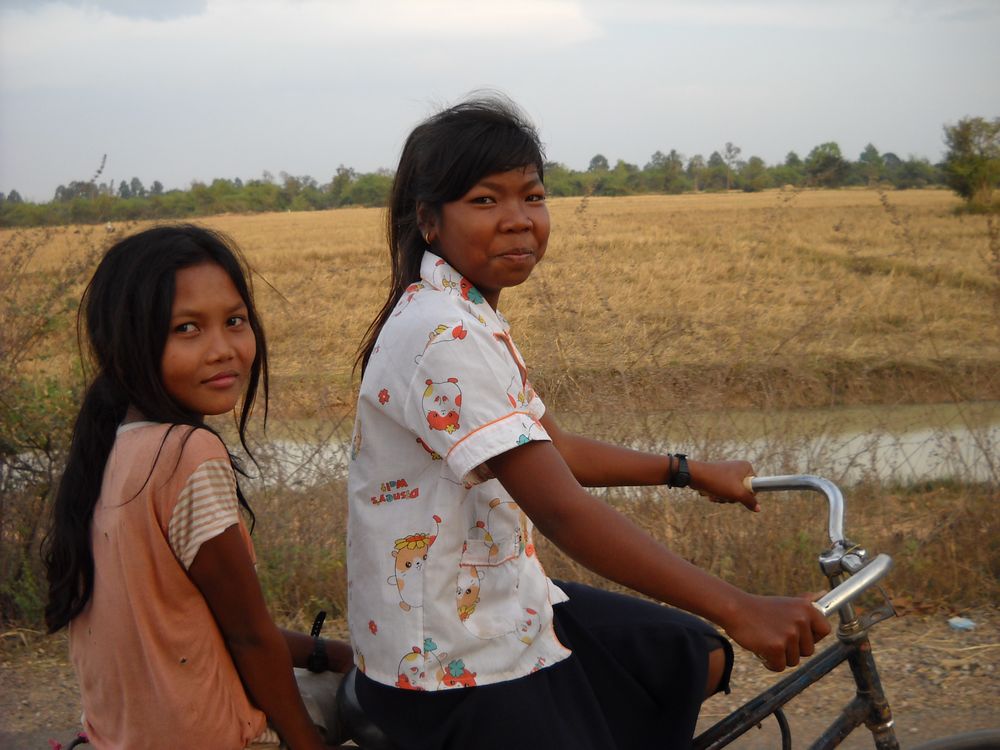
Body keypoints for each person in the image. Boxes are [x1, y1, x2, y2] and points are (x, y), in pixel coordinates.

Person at [346, 95, 832, 749]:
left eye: (533, 197)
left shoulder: (466, 314)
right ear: (430, 222)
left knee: (690, 657)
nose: (518, 221)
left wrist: (685, 471)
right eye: (486, 201)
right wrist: (739, 606)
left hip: (506, 603)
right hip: (450, 659)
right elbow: (562, 509)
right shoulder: (444, 332)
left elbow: (552, 447)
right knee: (700, 645)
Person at [42, 225, 352, 749]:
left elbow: (206, 631)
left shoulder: (109, 449)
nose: (223, 349)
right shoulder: (186, 453)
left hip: (118, 738)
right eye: (187, 328)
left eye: (235, 321)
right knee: (385, 703)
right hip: (212, 736)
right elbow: (247, 637)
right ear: (128, 342)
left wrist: (334, 653)